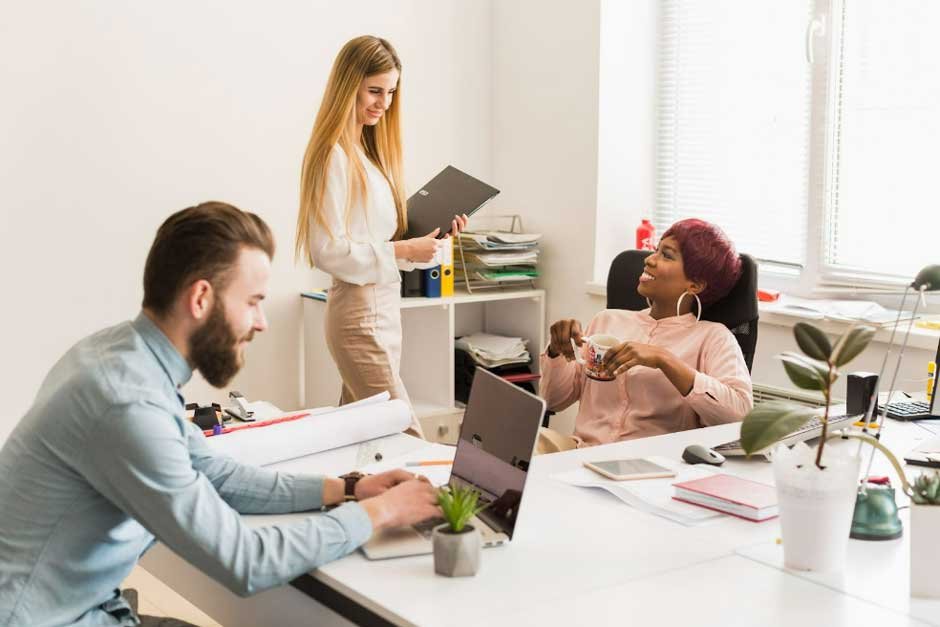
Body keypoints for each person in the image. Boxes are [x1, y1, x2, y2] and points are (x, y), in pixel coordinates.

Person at [0, 202, 440, 627]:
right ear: (201, 298)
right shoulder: (127, 402)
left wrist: (350, 488)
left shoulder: (120, 355)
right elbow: (246, 562)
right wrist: (380, 514)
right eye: (252, 301)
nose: (262, 321)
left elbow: (213, 474)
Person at [295, 36, 468, 435]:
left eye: (391, 92)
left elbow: (382, 243)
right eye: (374, 90)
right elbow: (326, 250)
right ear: (347, 86)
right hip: (358, 315)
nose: (384, 103)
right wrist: (404, 248)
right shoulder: (333, 156)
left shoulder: (368, 157)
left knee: (363, 442)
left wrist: (432, 240)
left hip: (385, 310)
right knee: (407, 436)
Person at [539, 218, 753, 451]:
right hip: (579, 452)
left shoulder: (713, 338)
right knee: (523, 440)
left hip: (653, 467)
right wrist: (556, 352)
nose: (649, 259)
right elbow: (553, 400)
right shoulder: (607, 320)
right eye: (656, 251)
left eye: (667, 255)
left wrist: (665, 360)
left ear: (695, 285)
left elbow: (740, 419)